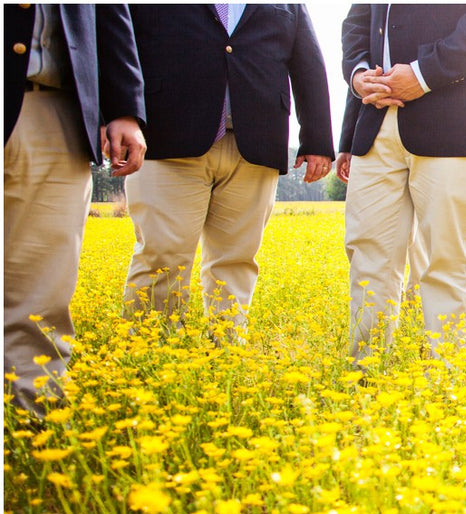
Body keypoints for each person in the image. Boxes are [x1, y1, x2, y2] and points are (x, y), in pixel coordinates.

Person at [121, 4, 335, 339]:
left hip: (256, 141)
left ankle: (226, 348)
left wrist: (318, 139)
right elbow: (122, 42)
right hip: (167, 135)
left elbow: (307, 61)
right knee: (161, 255)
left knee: (237, 259)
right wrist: (122, 113)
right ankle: (148, 350)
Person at [336, 4, 466, 363]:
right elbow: (358, 22)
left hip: (456, 113)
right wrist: (358, 75)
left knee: (445, 256)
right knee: (366, 255)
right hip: (375, 117)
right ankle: (365, 370)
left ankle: (447, 378)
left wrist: (423, 75)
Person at [5, 4, 147, 417]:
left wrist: (124, 106)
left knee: (42, 294)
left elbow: (109, 11)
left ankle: (33, 430)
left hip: (55, 109)